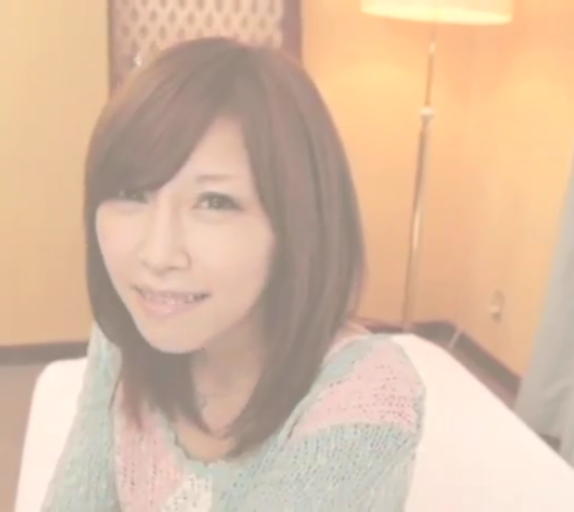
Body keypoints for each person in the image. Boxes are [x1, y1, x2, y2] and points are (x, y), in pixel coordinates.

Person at [43, 36, 426, 511]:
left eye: (214, 202)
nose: (157, 255)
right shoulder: (124, 333)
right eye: (131, 193)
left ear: (296, 223)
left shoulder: (364, 394)